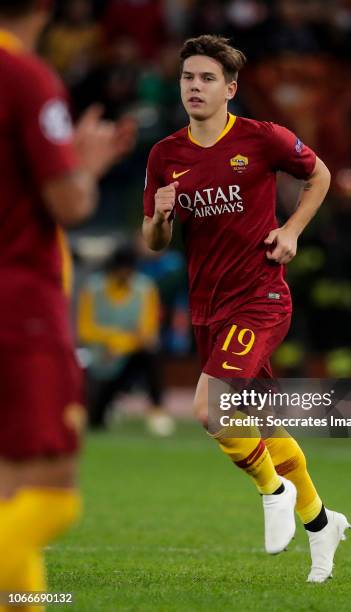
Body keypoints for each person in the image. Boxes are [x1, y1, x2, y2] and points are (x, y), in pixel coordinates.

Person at [143, 34, 351, 583]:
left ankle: (274, 491)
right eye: (189, 77)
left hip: (261, 297)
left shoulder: (262, 138)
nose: (195, 86)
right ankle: (321, 523)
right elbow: (153, 242)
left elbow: (320, 175)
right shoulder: (165, 155)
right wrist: (162, 217)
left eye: (208, 78)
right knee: (256, 421)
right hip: (207, 307)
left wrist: (292, 232)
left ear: (230, 88)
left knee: (211, 411)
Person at [0, 0, 135, 605]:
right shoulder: (24, 77)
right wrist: (85, 166)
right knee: (53, 493)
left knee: (7, 490)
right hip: (20, 300)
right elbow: (70, 205)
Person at [77, 245, 174, 436]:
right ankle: (106, 406)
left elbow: (147, 334)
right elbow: (85, 330)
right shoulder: (93, 289)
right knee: (95, 422)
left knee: (151, 354)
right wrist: (113, 340)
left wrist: (120, 345)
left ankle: (157, 411)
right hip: (101, 361)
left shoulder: (145, 289)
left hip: (129, 359)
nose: (124, 273)